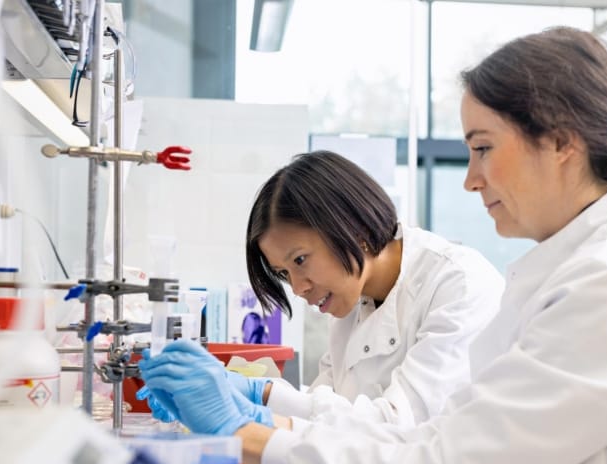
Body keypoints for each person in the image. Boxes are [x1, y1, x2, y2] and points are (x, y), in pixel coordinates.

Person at [140, 26, 607, 464]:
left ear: (562, 143)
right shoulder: (563, 274)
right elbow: (437, 441)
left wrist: (249, 432)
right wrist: (259, 414)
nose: (471, 177)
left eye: (482, 147)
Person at [141, 149, 504, 430]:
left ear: (354, 227)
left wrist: (259, 396)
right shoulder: (352, 303)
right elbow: (324, 411)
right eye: (284, 272)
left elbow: (399, 427)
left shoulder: (458, 283)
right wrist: (234, 398)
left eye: (300, 260)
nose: (298, 288)